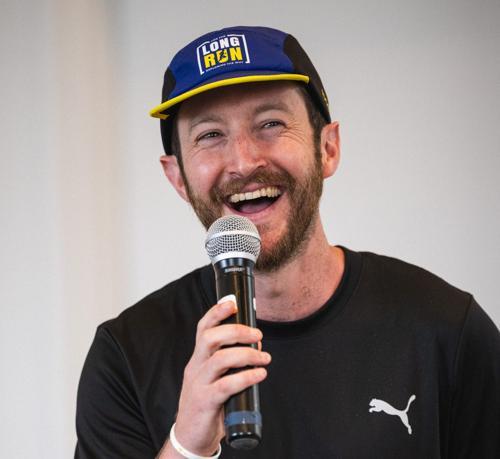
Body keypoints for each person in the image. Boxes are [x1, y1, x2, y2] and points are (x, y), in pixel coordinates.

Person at [75, 26, 500, 459]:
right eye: (210, 135)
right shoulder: (126, 357)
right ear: (178, 178)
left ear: (327, 148)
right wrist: (186, 445)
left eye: (270, 124)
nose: (243, 162)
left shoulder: (445, 328)